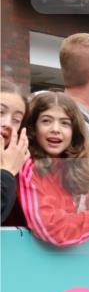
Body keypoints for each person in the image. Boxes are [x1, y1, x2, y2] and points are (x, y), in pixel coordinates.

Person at [17, 92, 89, 246]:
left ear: (74, 132)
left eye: (65, 123)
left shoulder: (64, 169)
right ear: (32, 128)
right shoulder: (28, 167)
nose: (55, 129)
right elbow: (53, 232)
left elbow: (70, 234)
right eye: (46, 121)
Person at [1, 79, 30, 224]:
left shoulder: (24, 168)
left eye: (17, 119)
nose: (7, 123)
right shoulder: (10, 170)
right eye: (0, 112)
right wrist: (6, 172)